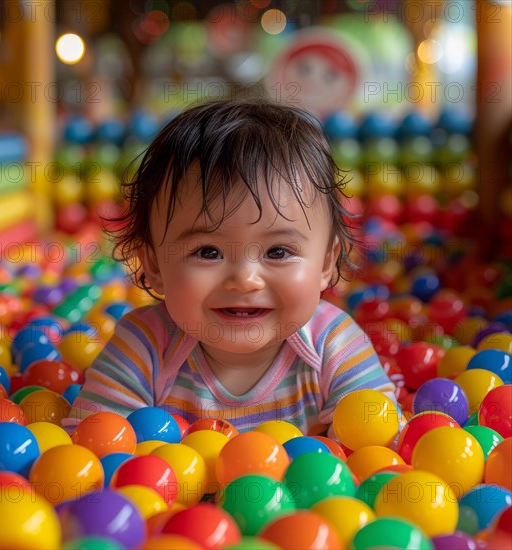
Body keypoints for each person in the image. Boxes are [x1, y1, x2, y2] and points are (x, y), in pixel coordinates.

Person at [63, 99, 396, 436]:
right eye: (208, 252)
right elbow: (93, 447)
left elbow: (380, 441)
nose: (245, 280)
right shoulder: (144, 346)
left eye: (278, 251)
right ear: (153, 264)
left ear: (326, 262)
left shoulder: (334, 343)